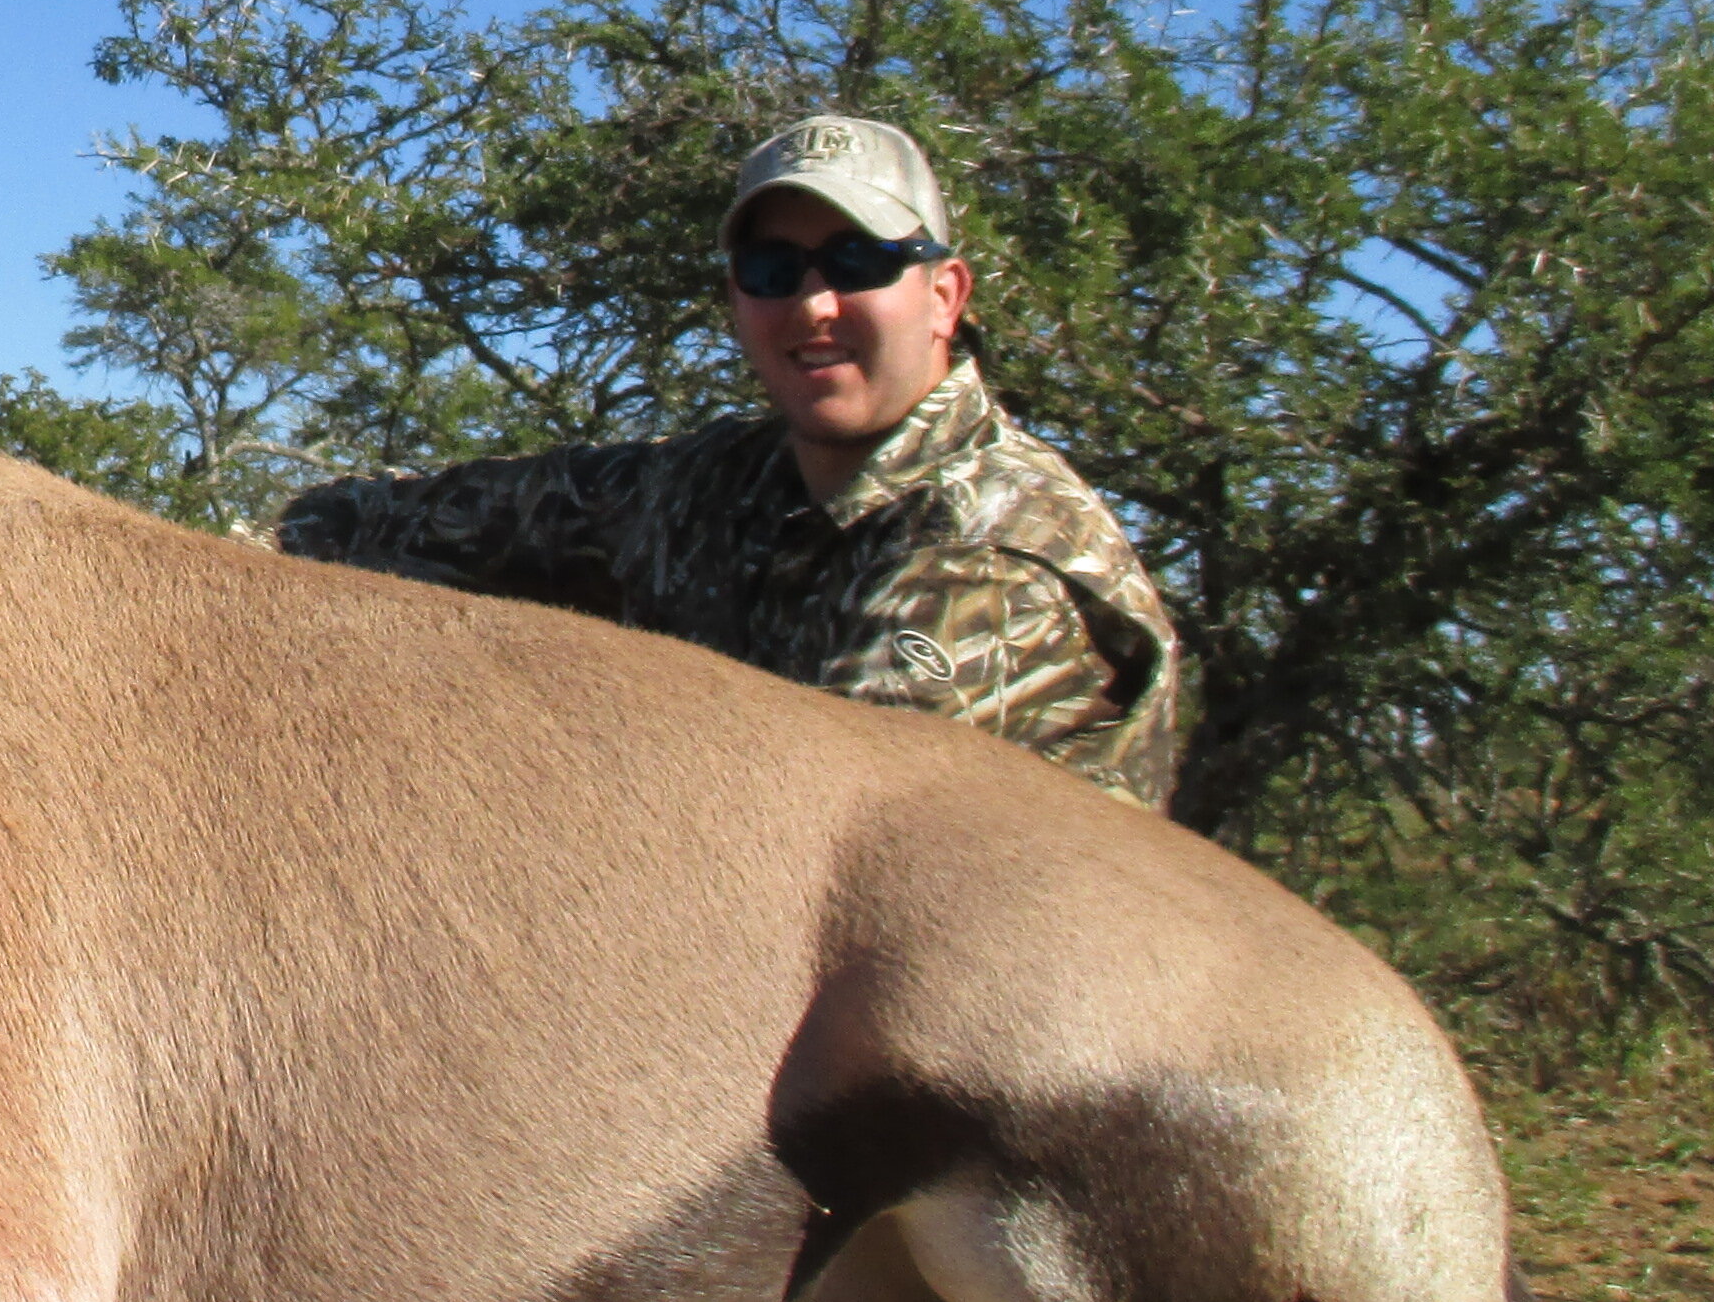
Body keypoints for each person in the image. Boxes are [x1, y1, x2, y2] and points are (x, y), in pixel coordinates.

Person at [273, 112, 1188, 812]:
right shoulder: (721, 481)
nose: (814, 305)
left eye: (859, 261)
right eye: (771, 271)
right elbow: (415, 515)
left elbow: (810, 833)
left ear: (945, 294)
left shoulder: (991, 554)